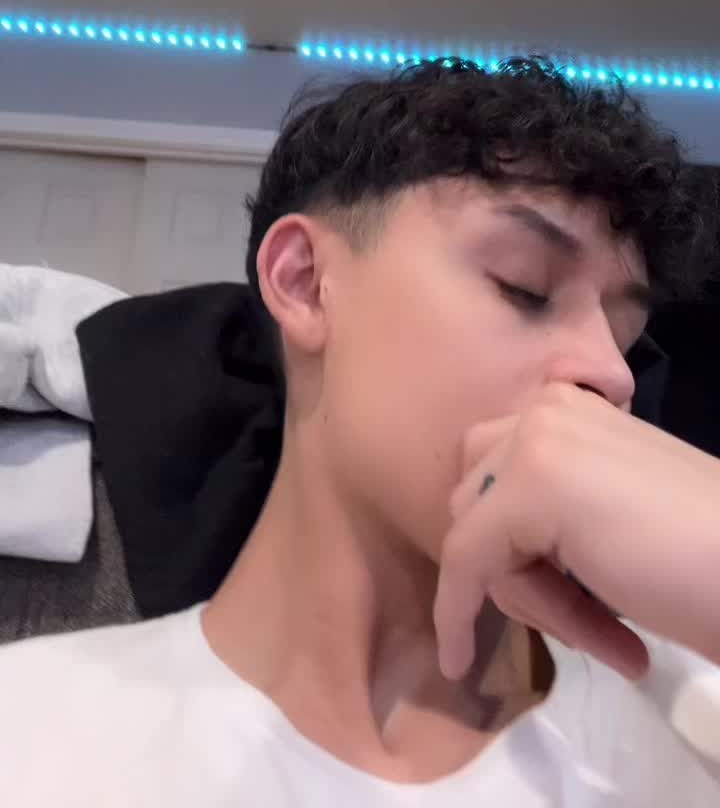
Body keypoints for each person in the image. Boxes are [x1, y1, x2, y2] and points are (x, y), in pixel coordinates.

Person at [2, 54, 720, 806]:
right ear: (304, 282)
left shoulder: (685, 726)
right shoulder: (31, 733)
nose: (612, 376)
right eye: (526, 288)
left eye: (625, 338)